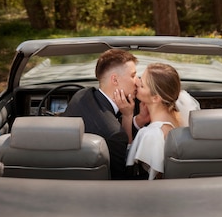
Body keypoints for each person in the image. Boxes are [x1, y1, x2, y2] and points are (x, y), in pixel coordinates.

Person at [63, 49, 149, 179]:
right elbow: (124, 177)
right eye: (133, 76)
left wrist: (132, 118)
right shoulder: (114, 134)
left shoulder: (81, 95)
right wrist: (127, 117)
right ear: (115, 80)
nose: (137, 81)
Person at [126, 62, 193, 180]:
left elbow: (132, 173)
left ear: (155, 98)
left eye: (142, 85)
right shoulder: (177, 118)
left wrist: (127, 116)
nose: (136, 82)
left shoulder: (152, 134)